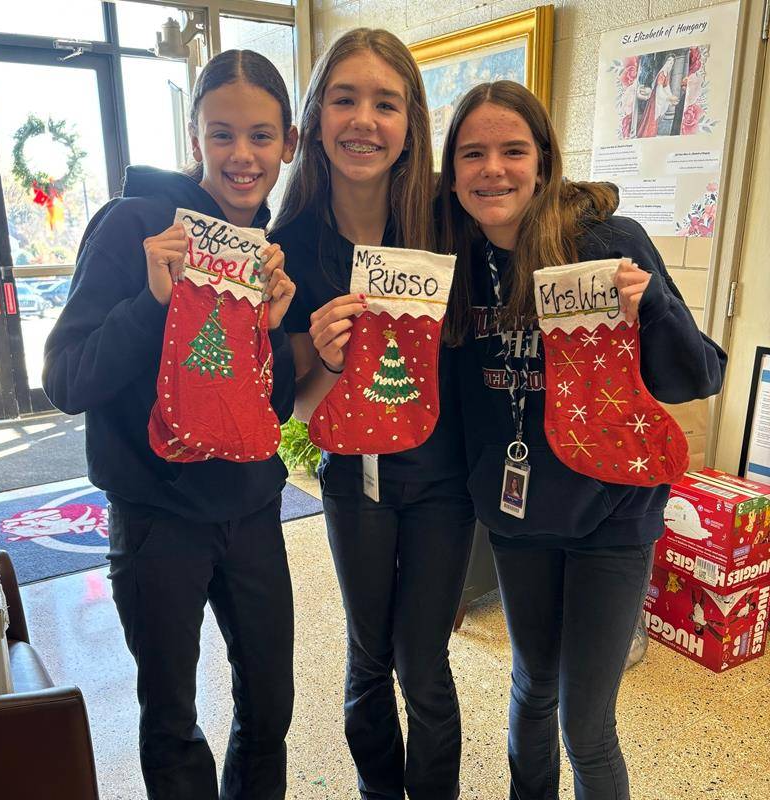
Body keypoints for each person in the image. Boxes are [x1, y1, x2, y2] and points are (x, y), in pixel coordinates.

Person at [437, 80, 726, 800]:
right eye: (472, 153)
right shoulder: (455, 261)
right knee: (532, 686)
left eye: (513, 150)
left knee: (586, 724)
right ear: (452, 171)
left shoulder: (605, 244)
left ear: (543, 160)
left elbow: (699, 375)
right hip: (518, 511)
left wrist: (650, 306)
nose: (493, 169)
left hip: (613, 512)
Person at [43, 50, 298, 800]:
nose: (242, 155)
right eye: (222, 134)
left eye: (261, 135)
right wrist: (153, 300)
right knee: (171, 719)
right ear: (195, 139)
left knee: (270, 708)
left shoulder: (263, 252)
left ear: (287, 143)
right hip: (156, 516)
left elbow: (271, 410)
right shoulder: (134, 225)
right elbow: (66, 379)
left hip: (252, 510)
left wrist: (274, 335)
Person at [270, 28, 475, 800]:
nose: (363, 120)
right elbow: (295, 408)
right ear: (317, 118)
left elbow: (524, 215)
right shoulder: (291, 247)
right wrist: (323, 358)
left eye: (385, 103)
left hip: (443, 482)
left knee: (423, 666)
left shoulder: (447, 220)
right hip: (353, 481)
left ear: (411, 123)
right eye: (344, 99)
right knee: (368, 659)